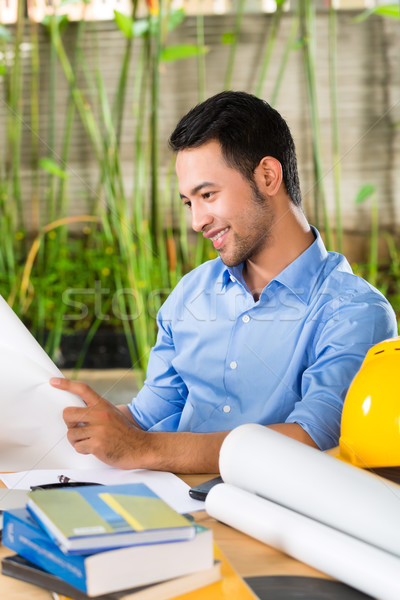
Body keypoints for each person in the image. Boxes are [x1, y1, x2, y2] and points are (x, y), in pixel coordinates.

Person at [51, 91, 397, 473]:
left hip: (271, 517)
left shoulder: (354, 312)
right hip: (173, 502)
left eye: (208, 195)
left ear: (268, 176)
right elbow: (149, 416)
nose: (196, 221)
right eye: (189, 202)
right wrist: (79, 422)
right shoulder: (191, 292)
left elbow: (316, 438)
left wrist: (146, 449)